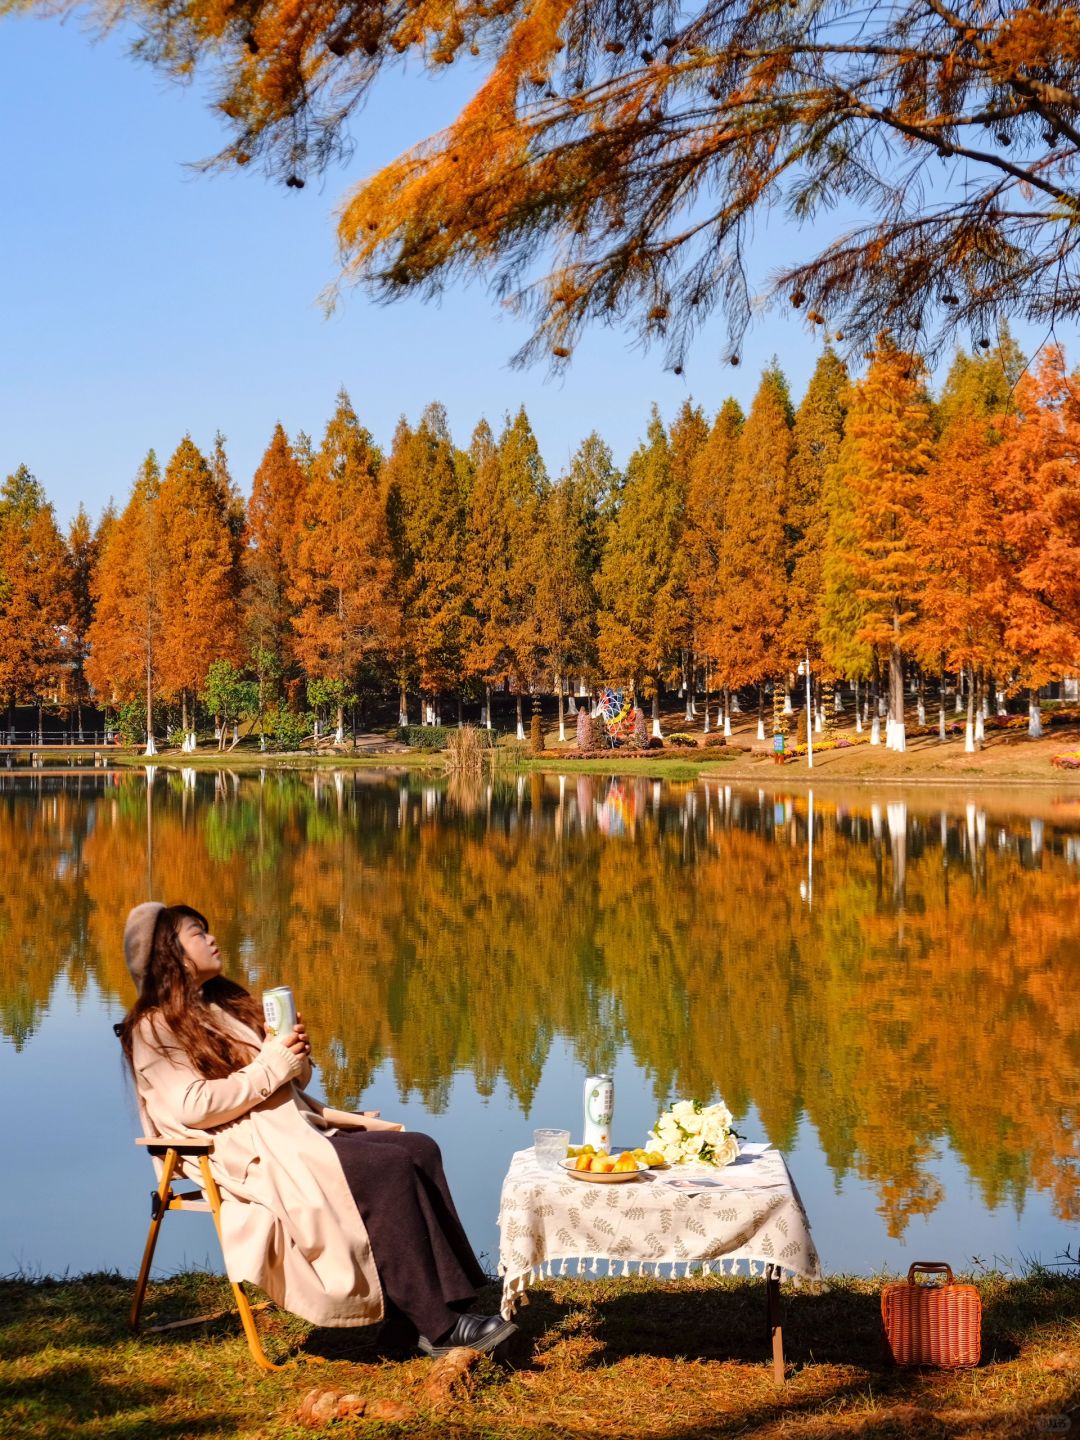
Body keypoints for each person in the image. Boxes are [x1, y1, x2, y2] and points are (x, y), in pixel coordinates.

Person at [118, 900, 516, 1358]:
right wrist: (273, 1063)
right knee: (385, 1168)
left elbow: (290, 1079)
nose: (211, 938)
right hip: (243, 1150)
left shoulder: (224, 1005)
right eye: (196, 932)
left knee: (419, 1148)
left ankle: (418, 1315)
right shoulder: (152, 1027)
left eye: (207, 929)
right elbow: (192, 1106)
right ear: (169, 953)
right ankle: (440, 1326)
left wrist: (296, 1057)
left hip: (292, 1129)